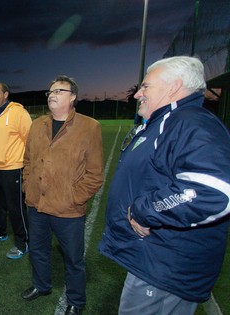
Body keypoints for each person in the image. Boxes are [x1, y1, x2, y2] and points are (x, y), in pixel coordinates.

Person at [99, 56, 230, 314]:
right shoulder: (167, 122)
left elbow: (214, 192)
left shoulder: (189, 122)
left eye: (146, 86)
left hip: (164, 269)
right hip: (154, 262)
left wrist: (144, 210)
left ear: (173, 86)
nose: (138, 93)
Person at [20, 76, 103, 315]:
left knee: (73, 258)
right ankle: (41, 285)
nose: (51, 94)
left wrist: (73, 197)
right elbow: (27, 161)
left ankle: (76, 301)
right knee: (37, 250)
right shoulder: (37, 125)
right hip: (37, 204)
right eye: (50, 91)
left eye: (58, 90)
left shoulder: (90, 127)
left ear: (73, 96)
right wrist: (28, 186)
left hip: (68, 209)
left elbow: (95, 174)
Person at [0, 82, 32, 259]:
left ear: (6, 94)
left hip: (13, 168)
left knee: (16, 208)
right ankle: (0, 232)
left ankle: (23, 242)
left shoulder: (18, 113)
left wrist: (27, 166)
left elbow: (30, 139)